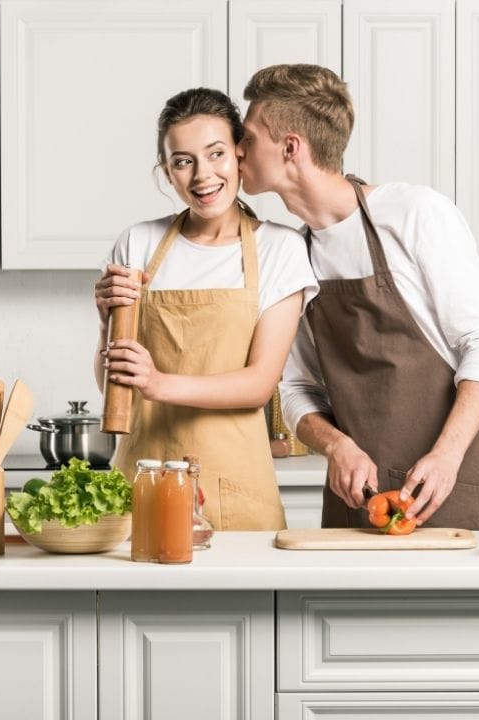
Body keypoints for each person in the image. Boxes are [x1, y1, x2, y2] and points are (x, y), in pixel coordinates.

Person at [237, 64, 479, 530]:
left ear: (290, 148)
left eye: (247, 138)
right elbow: (296, 389)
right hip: (357, 504)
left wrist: (445, 456)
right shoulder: (290, 253)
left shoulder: (414, 214)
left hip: (451, 488)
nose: (238, 151)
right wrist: (335, 446)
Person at [94, 87, 318, 531]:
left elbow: (258, 384)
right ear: (167, 172)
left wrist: (157, 383)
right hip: (142, 476)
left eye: (215, 154)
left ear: (239, 153)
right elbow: (112, 387)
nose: (202, 175)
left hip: (237, 484)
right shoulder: (137, 243)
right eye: (183, 161)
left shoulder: (280, 248)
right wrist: (107, 326)